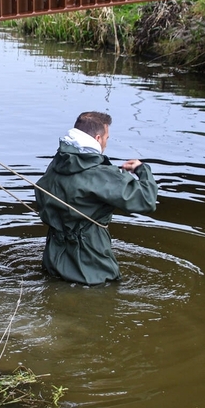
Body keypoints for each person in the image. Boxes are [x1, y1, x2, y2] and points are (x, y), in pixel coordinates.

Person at [35, 111, 158, 286]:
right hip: (92, 271)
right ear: (98, 138)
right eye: (107, 138)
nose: (106, 144)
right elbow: (147, 200)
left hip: (52, 264)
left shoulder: (57, 163)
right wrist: (142, 170)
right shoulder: (102, 174)